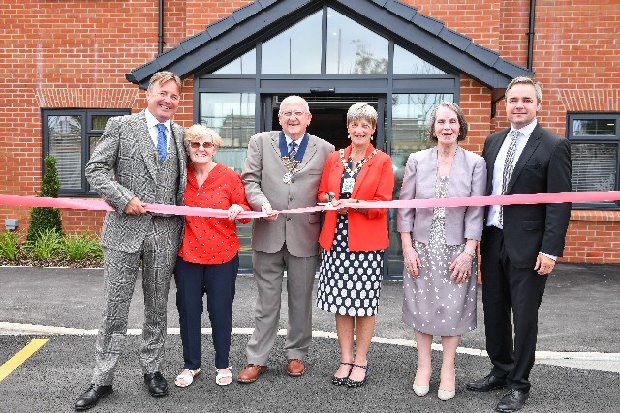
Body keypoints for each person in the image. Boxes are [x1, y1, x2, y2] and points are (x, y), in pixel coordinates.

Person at [76, 71, 186, 410]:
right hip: (124, 230)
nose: (168, 100)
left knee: (157, 307)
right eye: (162, 93)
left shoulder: (182, 135)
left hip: (165, 233)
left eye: (174, 96)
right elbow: (95, 169)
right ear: (149, 94)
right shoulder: (122, 127)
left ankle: (152, 370)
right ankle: (102, 378)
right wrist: (124, 198)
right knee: (114, 309)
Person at [466, 77, 572, 413]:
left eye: (526, 100)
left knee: (524, 317)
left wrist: (551, 249)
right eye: (513, 100)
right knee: (494, 312)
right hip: (493, 237)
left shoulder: (554, 145)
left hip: (530, 246)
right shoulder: (493, 142)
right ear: (506, 105)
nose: (519, 106)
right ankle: (501, 369)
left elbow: (560, 202)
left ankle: (519, 384)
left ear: (538, 105)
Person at [237, 95, 334, 383]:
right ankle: (257, 358)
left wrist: (330, 198)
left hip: (305, 235)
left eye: (298, 113)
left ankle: (296, 355)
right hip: (268, 232)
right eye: (287, 113)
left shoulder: (326, 148)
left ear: (308, 118)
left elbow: (328, 187)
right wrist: (260, 204)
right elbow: (249, 181)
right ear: (279, 118)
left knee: (301, 301)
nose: (292, 118)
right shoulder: (260, 142)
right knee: (266, 303)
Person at [397, 102, 486, 400]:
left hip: (457, 249)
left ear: (460, 126)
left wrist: (469, 252)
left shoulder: (475, 163)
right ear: (432, 128)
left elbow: (476, 212)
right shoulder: (417, 160)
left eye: (452, 121)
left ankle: (448, 367)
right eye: (440, 122)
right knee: (422, 305)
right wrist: (407, 248)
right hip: (422, 246)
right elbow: (405, 206)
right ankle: (424, 366)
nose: (447, 127)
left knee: (452, 308)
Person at [316, 102, 395, 388]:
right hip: (336, 240)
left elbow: (384, 204)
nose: (359, 129)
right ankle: (345, 359)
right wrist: (330, 200)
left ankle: (361, 360)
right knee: (341, 302)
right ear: (348, 128)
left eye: (366, 125)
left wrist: (355, 205)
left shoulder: (382, 160)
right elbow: (322, 193)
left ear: (373, 129)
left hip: (367, 244)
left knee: (363, 303)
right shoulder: (334, 158)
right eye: (354, 124)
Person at [173, 125, 251, 388]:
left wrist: (239, 207)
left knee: (220, 312)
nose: (201, 149)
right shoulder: (181, 176)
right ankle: (191, 365)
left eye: (207, 145)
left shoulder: (229, 176)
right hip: (187, 256)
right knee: (188, 312)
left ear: (215, 148)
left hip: (222, 255)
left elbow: (245, 207)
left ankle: (223, 363)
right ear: (188, 148)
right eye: (195, 144)